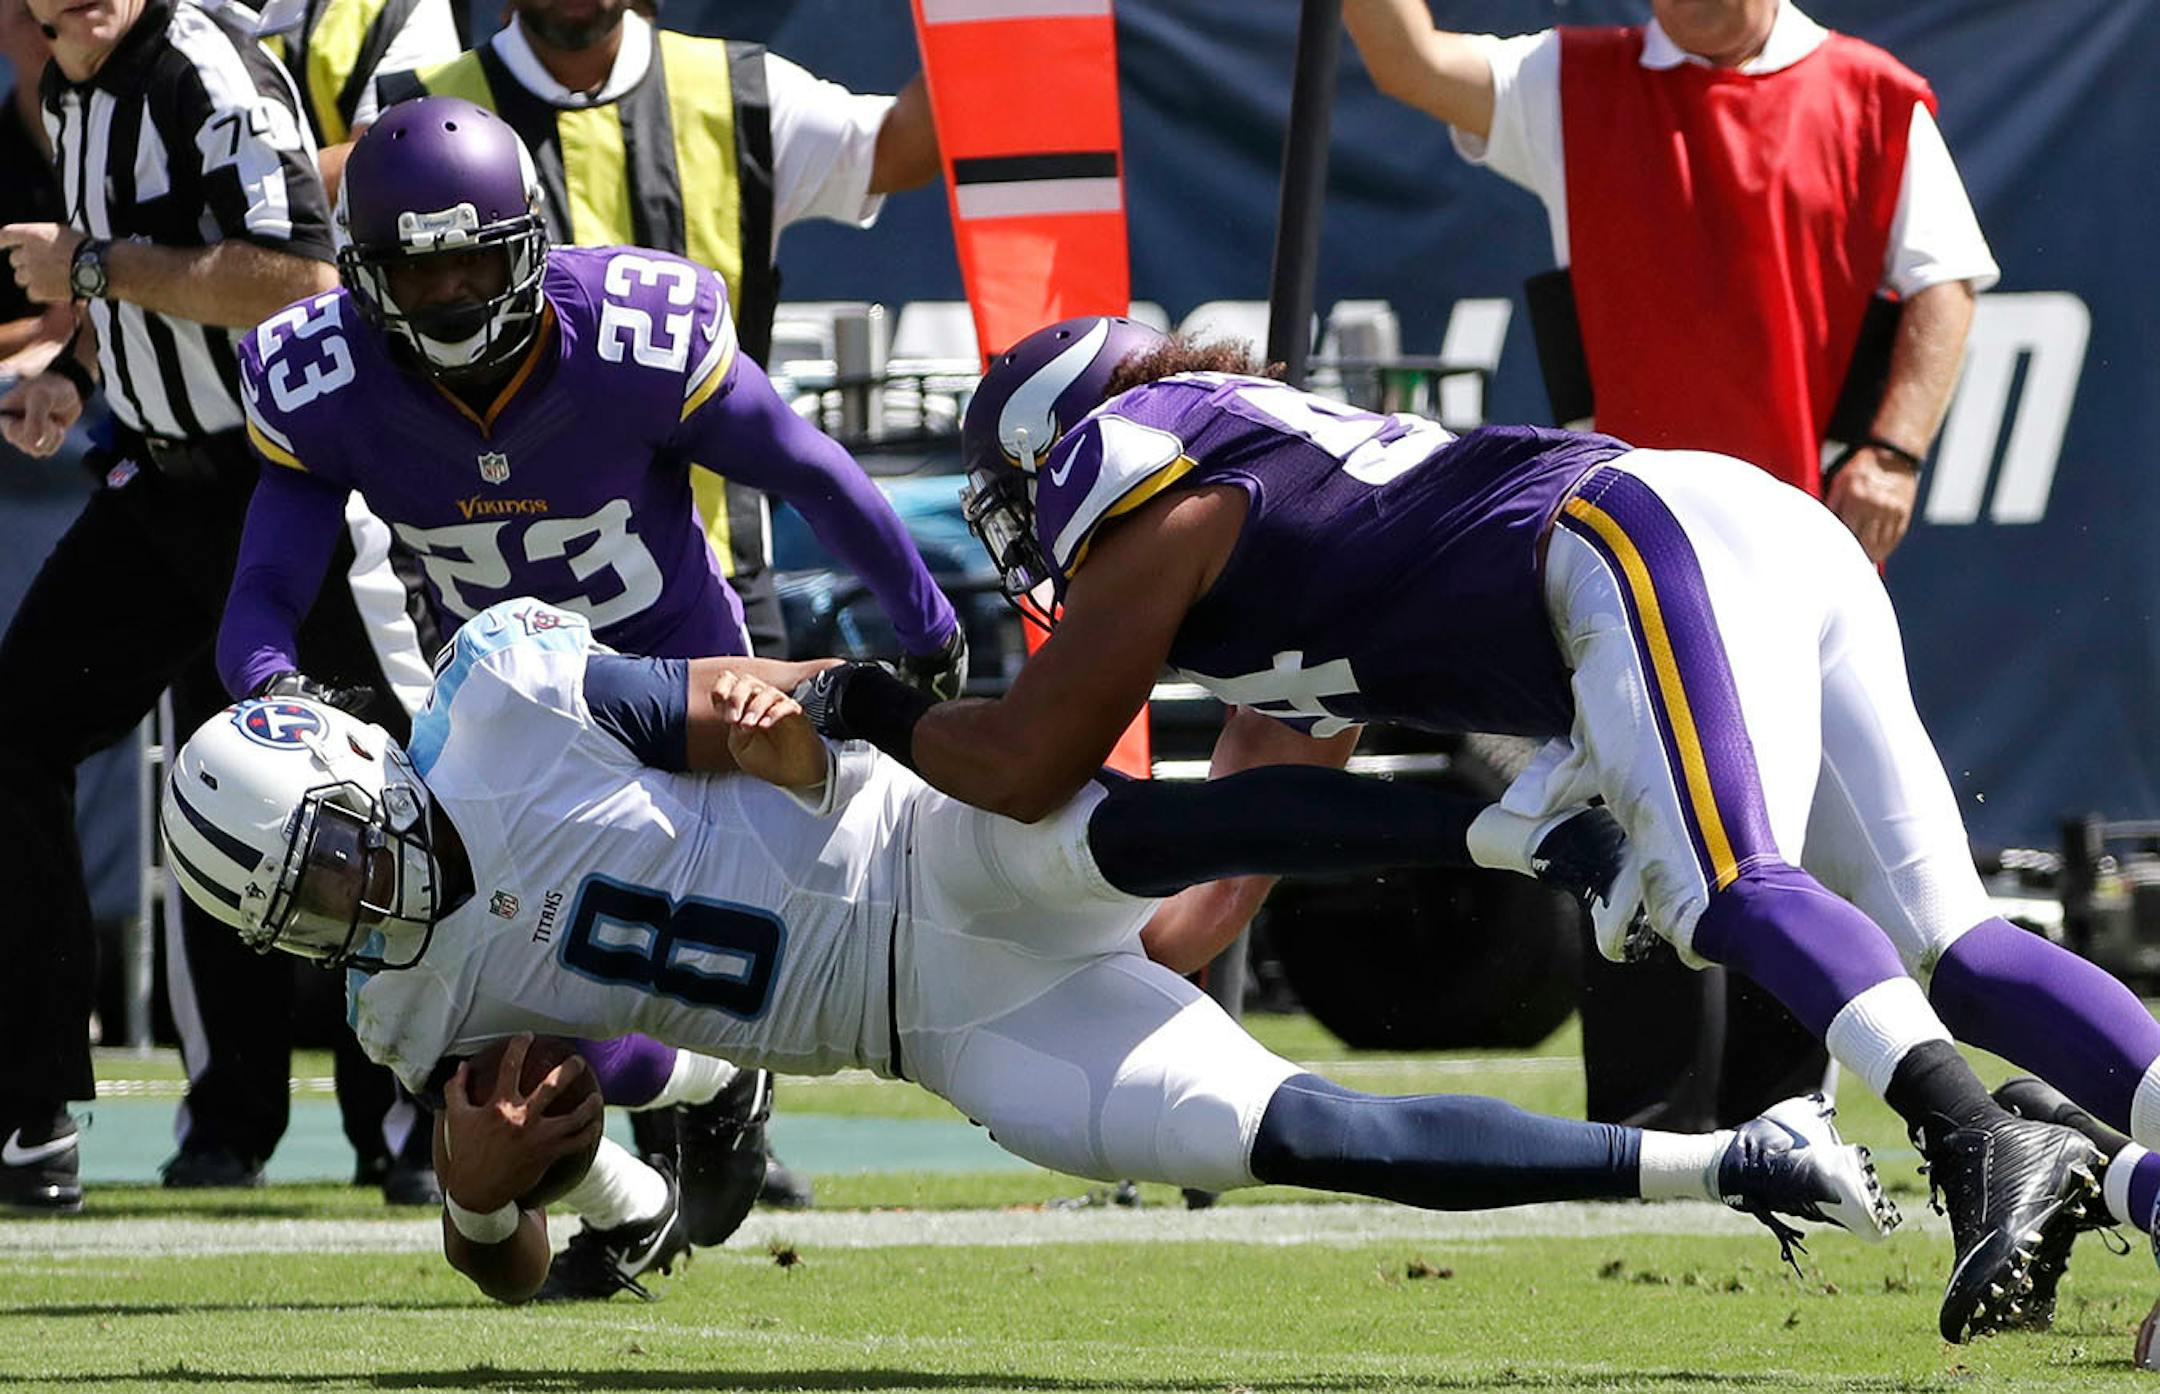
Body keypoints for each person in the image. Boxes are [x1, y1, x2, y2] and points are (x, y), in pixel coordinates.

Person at [791, 315, 2160, 1343]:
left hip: (1625, 538)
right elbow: (1213, 881)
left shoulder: (1138, 463)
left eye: (1019, 494)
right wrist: (1084, 950)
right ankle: (2129, 1157)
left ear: (1069, 444)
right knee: (1958, 941)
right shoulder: (1262, 539)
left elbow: (1029, 762)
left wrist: (866, 705)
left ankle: (1976, 1131)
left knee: (1723, 890)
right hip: (1728, 526)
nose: (1030, 534)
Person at [158, 595, 1897, 1305]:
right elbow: (531, 1260)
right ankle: (1739, 1153)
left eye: (326, 862)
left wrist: (762, 724)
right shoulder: (404, 1006)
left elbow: (698, 705)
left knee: (1139, 835)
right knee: (1279, 1131)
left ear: (356, 771)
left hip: (917, 840)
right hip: (935, 1023)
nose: (344, 910)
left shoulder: (499, 702)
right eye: (295, 916)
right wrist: (487, 1195)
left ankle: (1524, 819)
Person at [217, 94, 960, 1246]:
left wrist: (923, 623)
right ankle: (666, 1149)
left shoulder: (628, 332)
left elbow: (807, 465)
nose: (454, 296)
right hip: (502, 716)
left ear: (527, 244)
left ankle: (711, 1092)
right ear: (363, 276)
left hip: (677, 685)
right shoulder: (328, 378)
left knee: (670, 958)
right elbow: (266, 579)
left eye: (472, 263)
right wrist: (268, 687)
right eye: (420, 278)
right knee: (482, 1019)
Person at [1341, 0, 1999, 1140]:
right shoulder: (1570, 79)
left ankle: (1795, 1132)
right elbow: (1406, 61)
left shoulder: (1873, 96)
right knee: (1636, 837)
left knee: (1801, 860)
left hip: (1793, 559)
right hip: (1623, 558)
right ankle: (1647, 1152)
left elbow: (1944, 281)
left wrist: (1891, 452)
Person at [0, 0, 436, 1212]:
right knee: (16, 730)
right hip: (159, 481)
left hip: (283, 478)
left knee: (377, 777)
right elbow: (158, 278)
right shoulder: (68, 91)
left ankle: (429, 1103)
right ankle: (30, 1111)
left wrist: (90, 267)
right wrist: (79, 369)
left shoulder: (203, 60)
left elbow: (296, 270)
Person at [368, 0, 945, 663]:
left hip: (715, 580)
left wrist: (997, 25)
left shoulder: (740, 91)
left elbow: (899, 149)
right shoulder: (413, 119)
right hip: (492, 610)